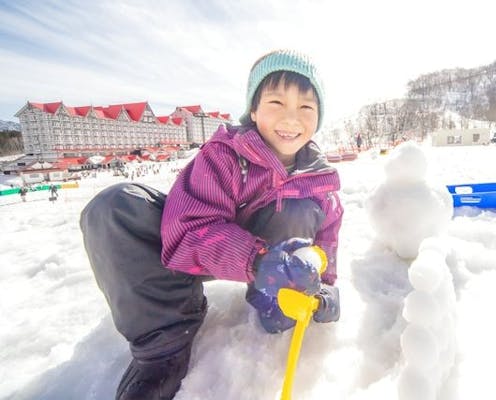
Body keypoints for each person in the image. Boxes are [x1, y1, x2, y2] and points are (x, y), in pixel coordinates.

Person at [80, 49, 344, 400]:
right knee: (114, 208)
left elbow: (324, 248)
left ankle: (276, 303)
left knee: (299, 208)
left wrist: (322, 287)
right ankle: (166, 338)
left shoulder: (321, 183)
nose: (291, 117)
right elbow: (188, 227)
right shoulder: (224, 155)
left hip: (269, 272)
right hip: (196, 254)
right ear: (253, 109)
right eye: (276, 102)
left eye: (306, 107)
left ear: (318, 117)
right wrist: (258, 259)